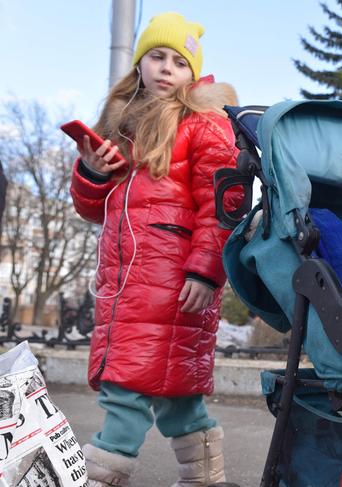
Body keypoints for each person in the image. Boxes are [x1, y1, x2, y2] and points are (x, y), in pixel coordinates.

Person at [69, 12, 241, 487]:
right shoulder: (122, 126)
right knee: (177, 397)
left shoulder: (202, 125)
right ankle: (206, 479)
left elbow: (222, 204)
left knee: (124, 392)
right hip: (126, 285)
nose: (167, 68)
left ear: (193, 73)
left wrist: (205, 271)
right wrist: (94, 172)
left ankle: (100, 477)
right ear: (139, 65)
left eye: (179, 62)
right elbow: (94, 209)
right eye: (157, 57)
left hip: (175, 284)